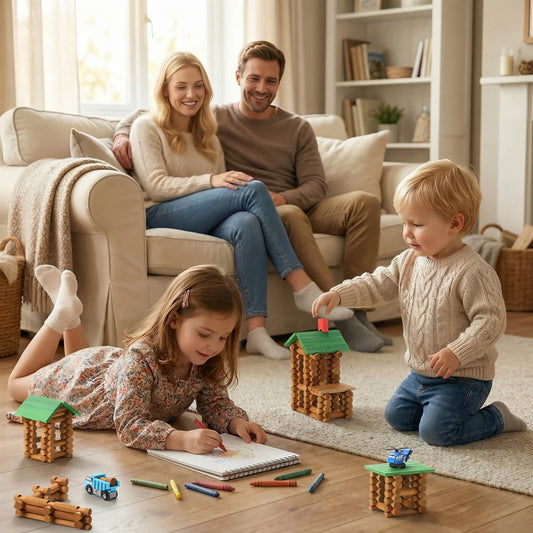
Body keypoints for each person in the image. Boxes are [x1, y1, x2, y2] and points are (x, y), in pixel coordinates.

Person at [112, 41, 390, 354]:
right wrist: (122, 132)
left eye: (198, 86)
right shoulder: (174, 123)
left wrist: (277, 197)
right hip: (166, 209)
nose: (191, 94)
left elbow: (315, 184)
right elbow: (155, 162)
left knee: (247, 222)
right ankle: (304, 287)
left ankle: (257, 331)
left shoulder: (210, 129)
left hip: (253, 206)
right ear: (238, 78)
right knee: (255, 191)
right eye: (181, 87)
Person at [312, 159, 527, 446]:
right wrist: (340, 293)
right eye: (404, 223)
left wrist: (457, 352)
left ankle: (497, 417)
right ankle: (434, 408)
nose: (407, 233)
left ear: (455, 223)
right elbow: (378, 283)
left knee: (437, 433)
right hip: (421, 374)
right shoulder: (410, 259)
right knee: (396, 418)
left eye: (417, 224)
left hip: (463, 378)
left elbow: (491, 321)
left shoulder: (473, 271)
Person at [8, 264, 267, 452]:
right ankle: (60, 315)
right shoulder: (141, 359)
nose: (214, 346)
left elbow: (215, 403)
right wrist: (181, 440)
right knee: (15, 384)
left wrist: (237, 423)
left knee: (74, 357)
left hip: (105, 368)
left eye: (223, 338)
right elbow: (130, 426)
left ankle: (70, 313)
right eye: (205, 334)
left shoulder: (205, 359)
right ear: (174, 319)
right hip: (82, 387)